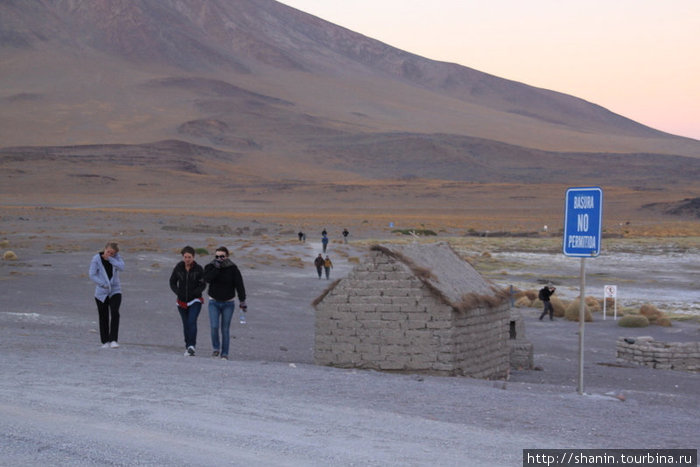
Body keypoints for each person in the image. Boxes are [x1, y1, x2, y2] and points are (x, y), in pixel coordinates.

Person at [204, 247, 247, 360]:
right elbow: (207, 279)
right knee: (214, 326)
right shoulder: (210, 266)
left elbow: (239, 285)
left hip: (228, 303)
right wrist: (216, 268)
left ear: (227, 256)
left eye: (222, 256)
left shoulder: (233, 269)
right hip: (214, 301)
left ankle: (225, 353)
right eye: (217, 256)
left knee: (225, 329)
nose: (219, 259)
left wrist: (242, 301)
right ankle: (216, 349)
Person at [169, 246, 206, 356]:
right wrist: (178, 292)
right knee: (186, 324)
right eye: (185, 257)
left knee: (191, 321)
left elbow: (203, 284)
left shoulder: (199, 269)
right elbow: (172, 282)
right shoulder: (178, 267)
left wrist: (195, 292)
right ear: (182, 257)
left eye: (189, 257)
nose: (187, 259)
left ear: (193, 257)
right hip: (181, 301)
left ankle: (192, 346)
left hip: (195, 300)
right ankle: (188, 346)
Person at [89, 242, 125, 348]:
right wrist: (103, 284)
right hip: (101, 292)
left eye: (112, 253)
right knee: (103, 315)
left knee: (115, 312)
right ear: (105, 249)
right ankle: (105, 341)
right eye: (108, 251)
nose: (109, 254)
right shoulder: (96, 259)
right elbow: (92, 274)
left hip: (115, 290)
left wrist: (111, 259)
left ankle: (113, 339)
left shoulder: (116, 258)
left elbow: (122, 267)